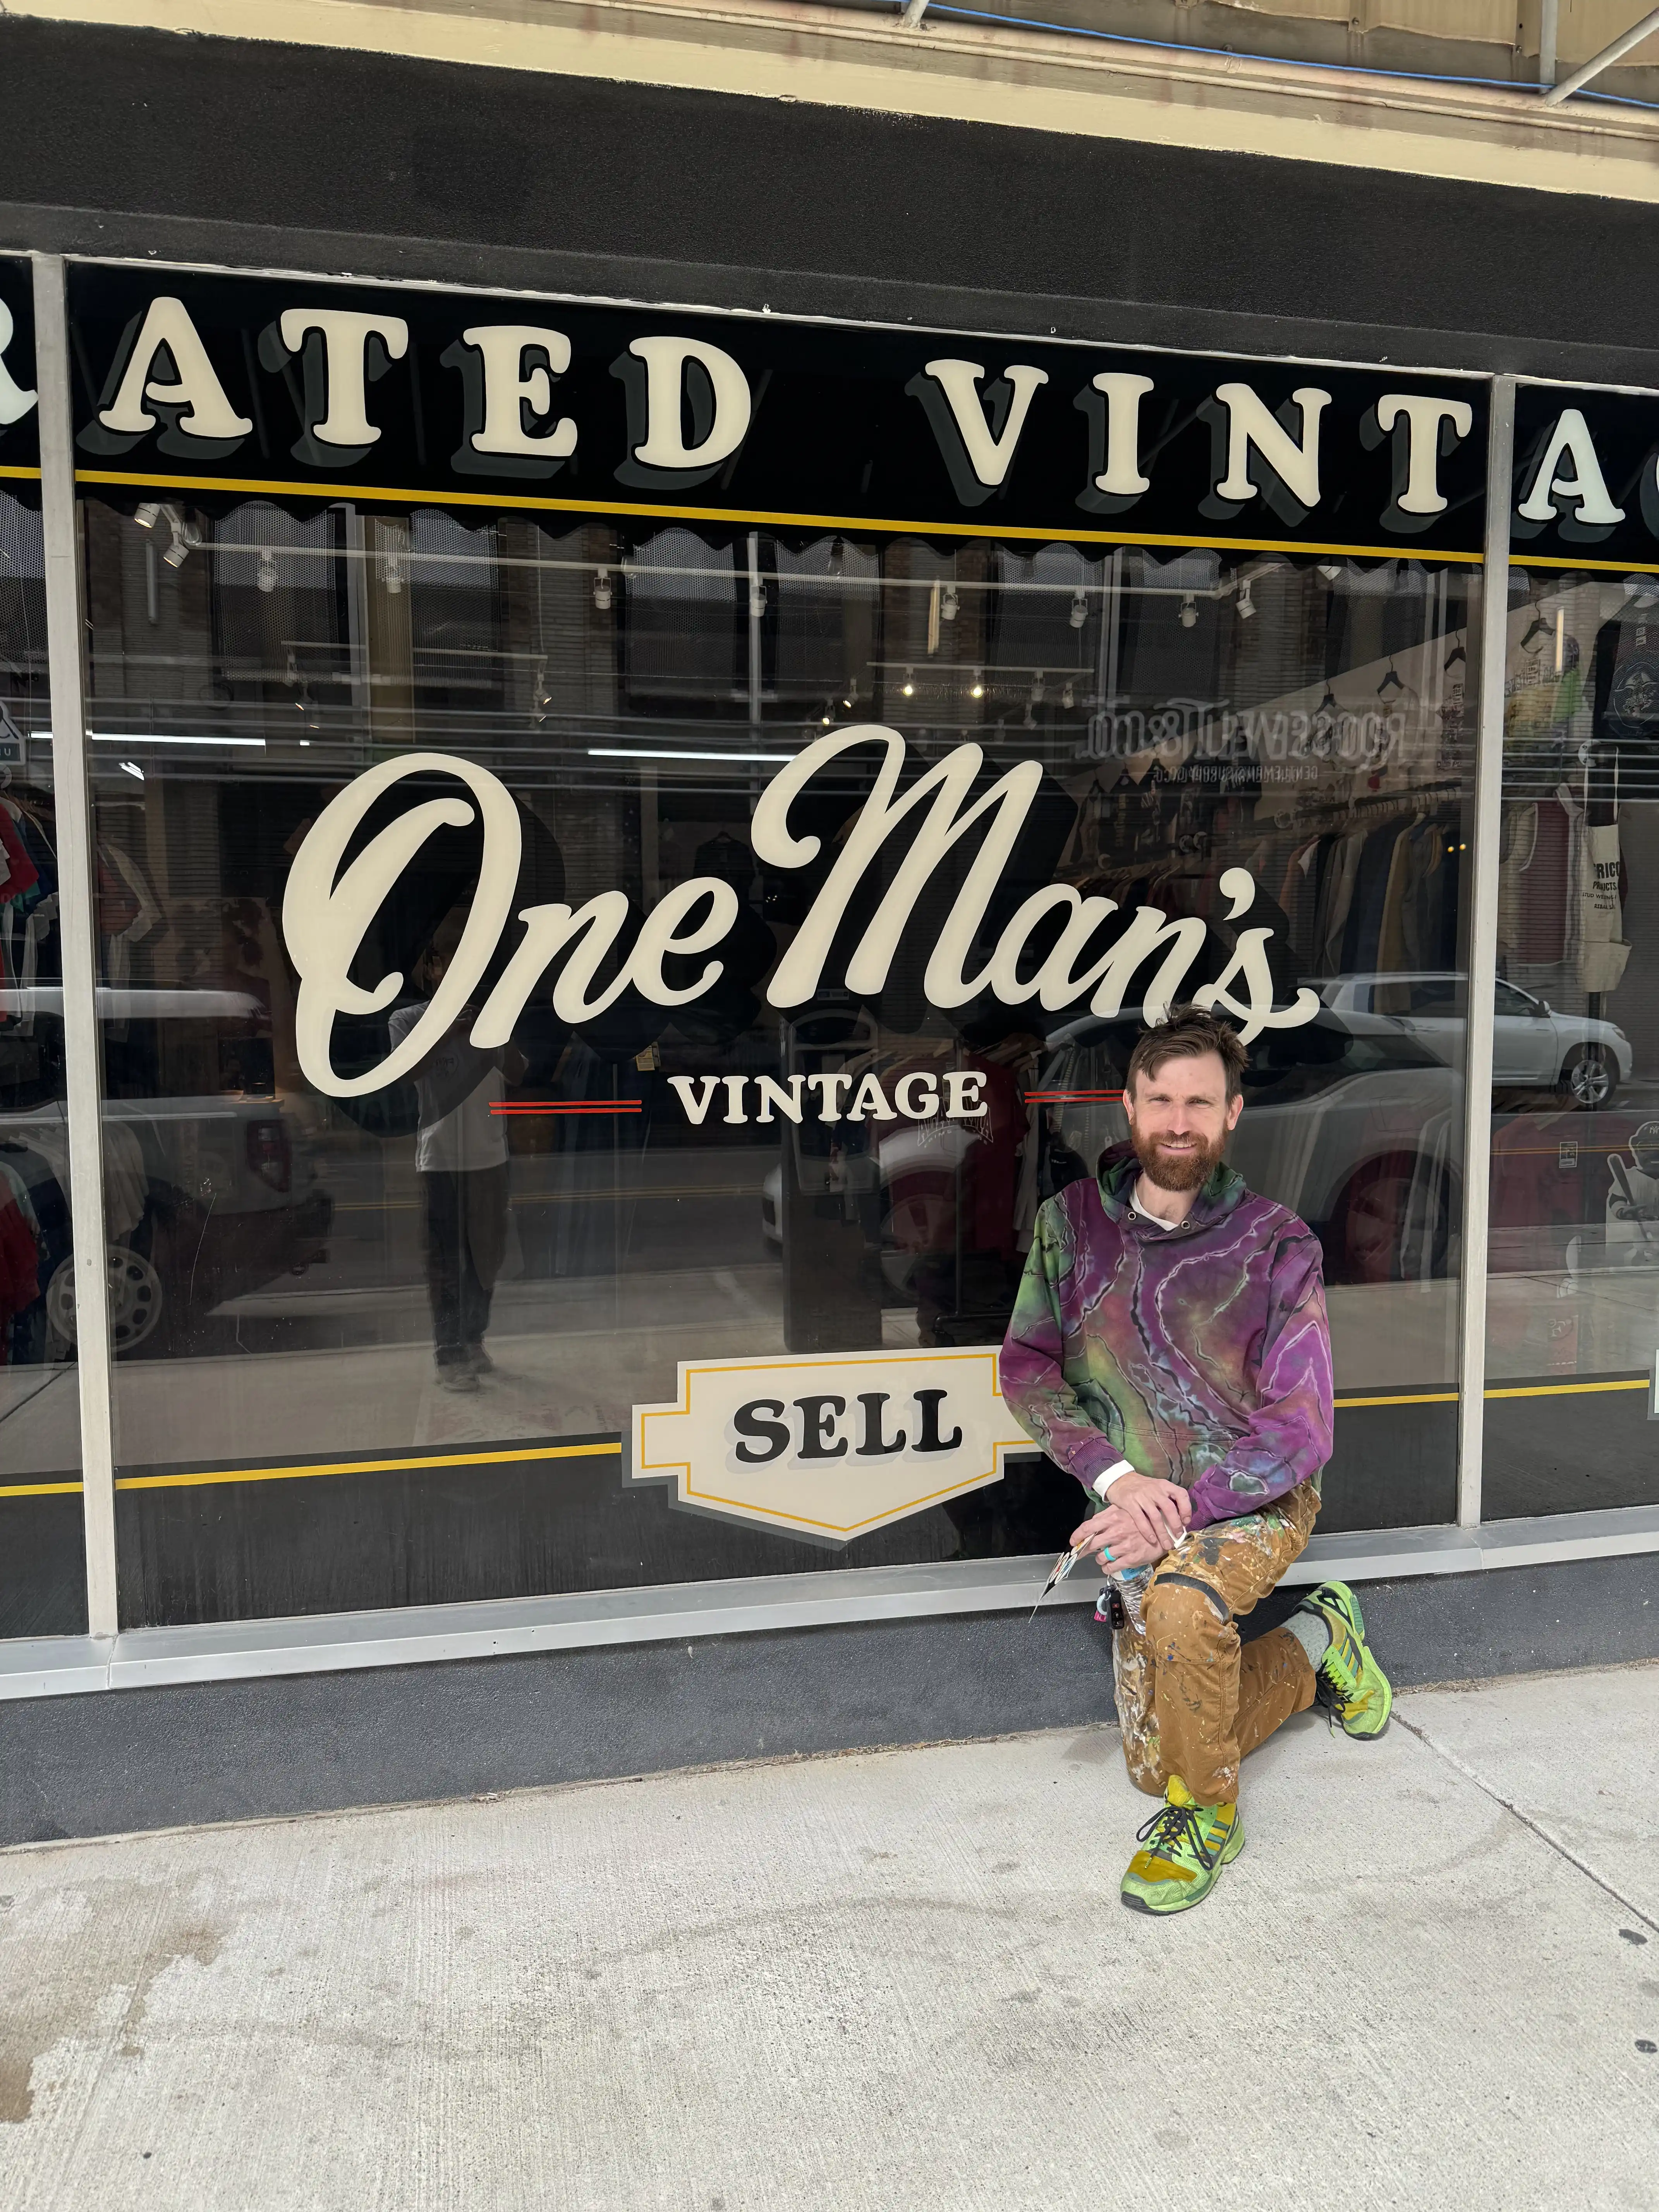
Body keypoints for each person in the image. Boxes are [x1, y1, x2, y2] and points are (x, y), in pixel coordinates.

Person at [1000, 1005, 1392, 1917]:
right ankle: (1322, 1641)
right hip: (1133, 1503)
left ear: (1232, 1115)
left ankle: (1209, 1817)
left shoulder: (1279, 1244)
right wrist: (1118, 1479)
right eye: (1162, 1099)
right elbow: (1026, 1368)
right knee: (1153, 1761)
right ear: (1129, 1108)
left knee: (1183, 1611)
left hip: (1254, 1501)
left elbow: (1301, 1428)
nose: (1180, 1120)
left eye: (1200, 1103)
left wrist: (1179, 1506)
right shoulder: (1070, 1227)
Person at [388, 916, 527, 1393]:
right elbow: (408, 1073)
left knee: (487, 1255)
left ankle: (473, 1339)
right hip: (441, 1158)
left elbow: (520, 1073)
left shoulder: (493, 1015)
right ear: (431, 970)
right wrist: (450, 1030)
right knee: (446, 1258)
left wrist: (493, 1034)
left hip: (490, 1155)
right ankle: (448, 1351)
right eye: (449, 960)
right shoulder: (407, 1020)